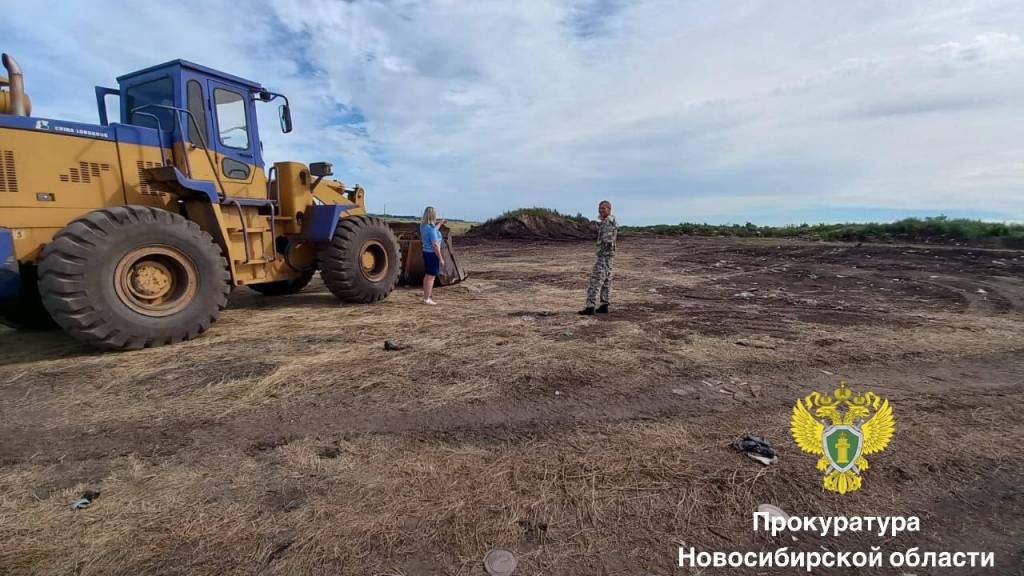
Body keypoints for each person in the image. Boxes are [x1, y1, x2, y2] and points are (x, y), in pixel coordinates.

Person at [579, 200, 617, 315]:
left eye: (603, 208)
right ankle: (604, 305)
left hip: (603, 256)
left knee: (595, 281)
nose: (601, 210)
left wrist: (601, 253)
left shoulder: (607, 222)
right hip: (609, 256)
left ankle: (590, 306)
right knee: (606, 281)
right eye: (600, 208)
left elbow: (606, 240)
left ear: (609, 209)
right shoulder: (612, 220)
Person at [420, 206, 447, 305]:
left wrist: (440, 223)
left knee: (428, 275)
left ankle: (426, 296)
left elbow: (434, 230)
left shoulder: (423, 226)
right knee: (431, 277)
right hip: (432, 254)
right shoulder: (431, 229)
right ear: (433, 215)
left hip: (426, 252)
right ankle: (427, 299)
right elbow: (435, 245)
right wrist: (441, 258)